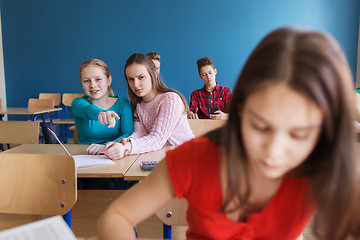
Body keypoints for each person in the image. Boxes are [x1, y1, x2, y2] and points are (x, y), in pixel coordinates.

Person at [97, 28, 360, 240]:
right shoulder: (195, 158)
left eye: (299, 135)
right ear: (240, 110)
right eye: (260, 126)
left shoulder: (318, 166)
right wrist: (121, 144)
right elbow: (116, 216)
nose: (274, 150)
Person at [102, 53, 194, 160]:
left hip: (187, 157)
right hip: (161, 157)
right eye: (131, 79)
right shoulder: (139, 105)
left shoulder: (170, 99)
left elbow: (157, 139)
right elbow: (140, 133)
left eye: (141, 77)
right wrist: (124, 143)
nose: (135, 84)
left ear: (154, 75)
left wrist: (127, 147)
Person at [72, 59, 134, 157]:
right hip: (85, 156)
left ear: (108, 80)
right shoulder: (78, 103)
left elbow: (128, 133)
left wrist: (105, 147)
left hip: (114, 155)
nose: (92, 85)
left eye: (98, 79)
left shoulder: (122, 103)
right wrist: (101, 113)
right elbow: (87, 110)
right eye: (86, 81)